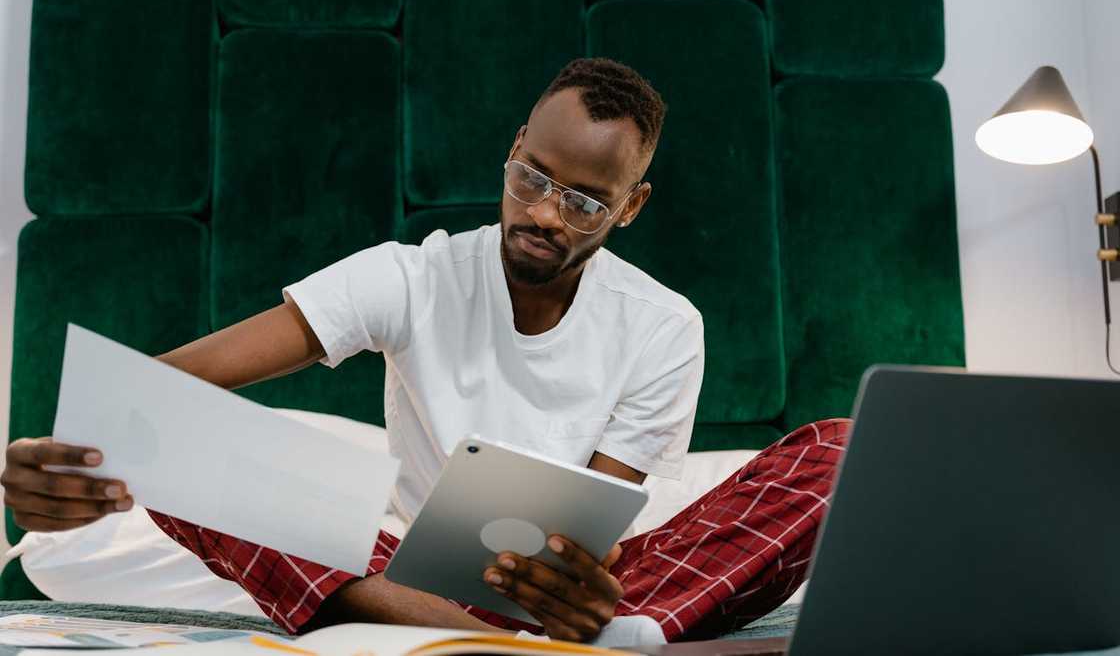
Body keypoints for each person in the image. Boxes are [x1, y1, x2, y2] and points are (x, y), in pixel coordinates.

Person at [2, 58, 850, 644]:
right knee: (193, 443)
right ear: (515, 147)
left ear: (631, 207)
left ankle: (586, 636)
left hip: (588, 594)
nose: (548, 215)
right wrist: (81, 445)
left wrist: (585, 587)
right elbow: (170, 385)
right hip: (409, 581)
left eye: (587, 204)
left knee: (843, 447)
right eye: (535, 179)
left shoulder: (666, 325)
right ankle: (482, 638)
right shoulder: (410, 276)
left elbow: (589, 531)